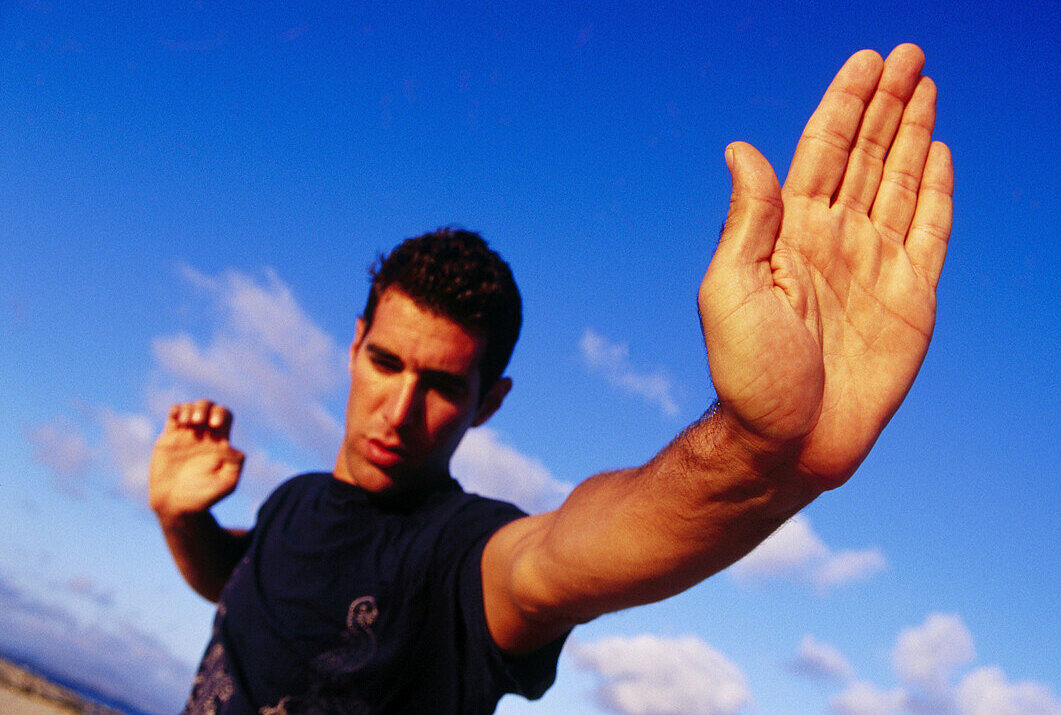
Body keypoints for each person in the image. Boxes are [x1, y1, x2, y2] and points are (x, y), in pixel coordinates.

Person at [149, 43, 953, 713]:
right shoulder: (291, 503)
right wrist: (182, 520)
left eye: (441, 384)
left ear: (488, 402)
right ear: (355, 343)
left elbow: (570, 551)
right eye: (386, 361)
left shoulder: (461, 557)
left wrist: (754, 450)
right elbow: (239, 584)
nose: (398, 409)